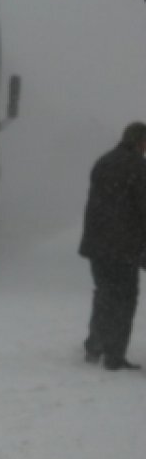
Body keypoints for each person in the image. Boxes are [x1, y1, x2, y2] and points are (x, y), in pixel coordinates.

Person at [78, 121, 146, 370]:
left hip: (98, 245)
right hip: (124, 246)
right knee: (125, 298)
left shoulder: (104, 161)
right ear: (141, 142)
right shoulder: (139, 167)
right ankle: (115, 355)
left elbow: (95, 204)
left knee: (104, 294)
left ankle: (95, 346)